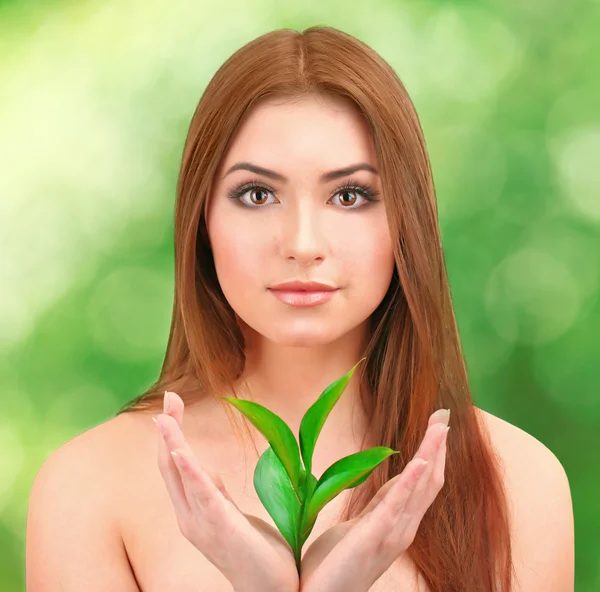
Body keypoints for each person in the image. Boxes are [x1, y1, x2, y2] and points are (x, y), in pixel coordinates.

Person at [25, 25, 574, 592]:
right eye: (258, 195)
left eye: (350, 195)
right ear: (202, 221)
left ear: (407, 222)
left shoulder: (519, 483)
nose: (302, 242)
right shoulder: (92, 485)